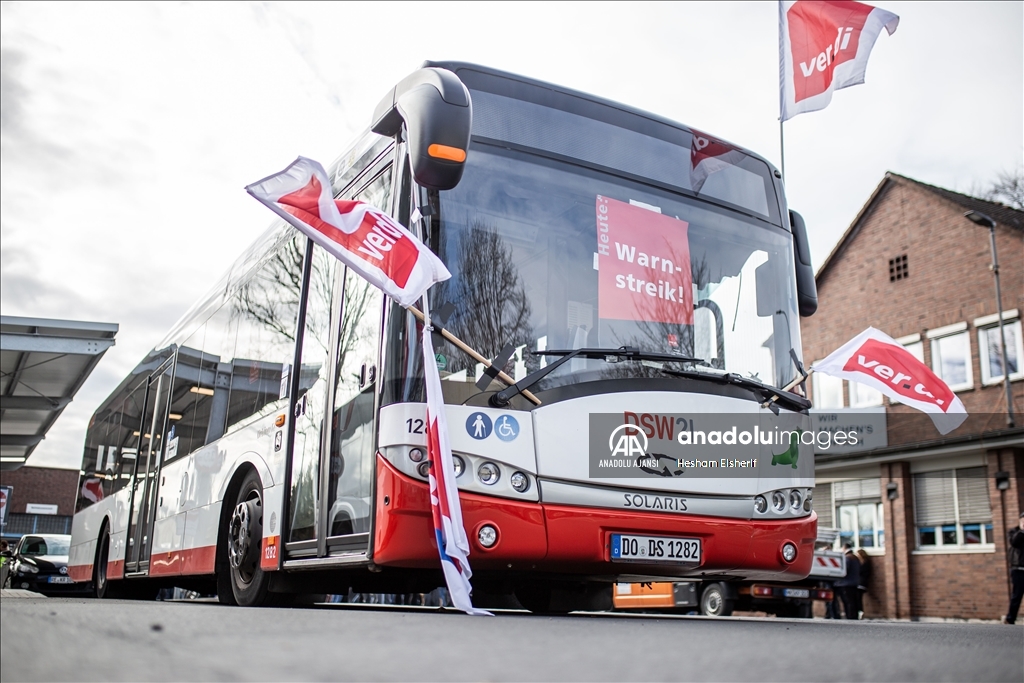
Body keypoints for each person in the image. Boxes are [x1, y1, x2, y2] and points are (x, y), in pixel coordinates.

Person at [834, 544, 861, 620]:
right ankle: (854, 616)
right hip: (854, 583)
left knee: (848, 602)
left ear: (844, 548)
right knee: (853, 601)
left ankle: (850, 616)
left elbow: (844, 570)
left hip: (845, 583)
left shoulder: (847, 558)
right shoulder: (855, 557)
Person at [1006, 511, 1024, 625]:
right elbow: (1014, 542)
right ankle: (1010, 619)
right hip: (1018, 569)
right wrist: (1022, 531)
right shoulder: (1014, 532)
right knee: (1017, 595)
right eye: (1023, 521)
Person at [855, 548, 871, 619]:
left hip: (861, 583)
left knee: (858, 598)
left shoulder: (865, 563)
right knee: (858, 598)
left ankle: (860, 611)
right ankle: (859, 611)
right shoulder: (862, 562)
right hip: (860, 582)